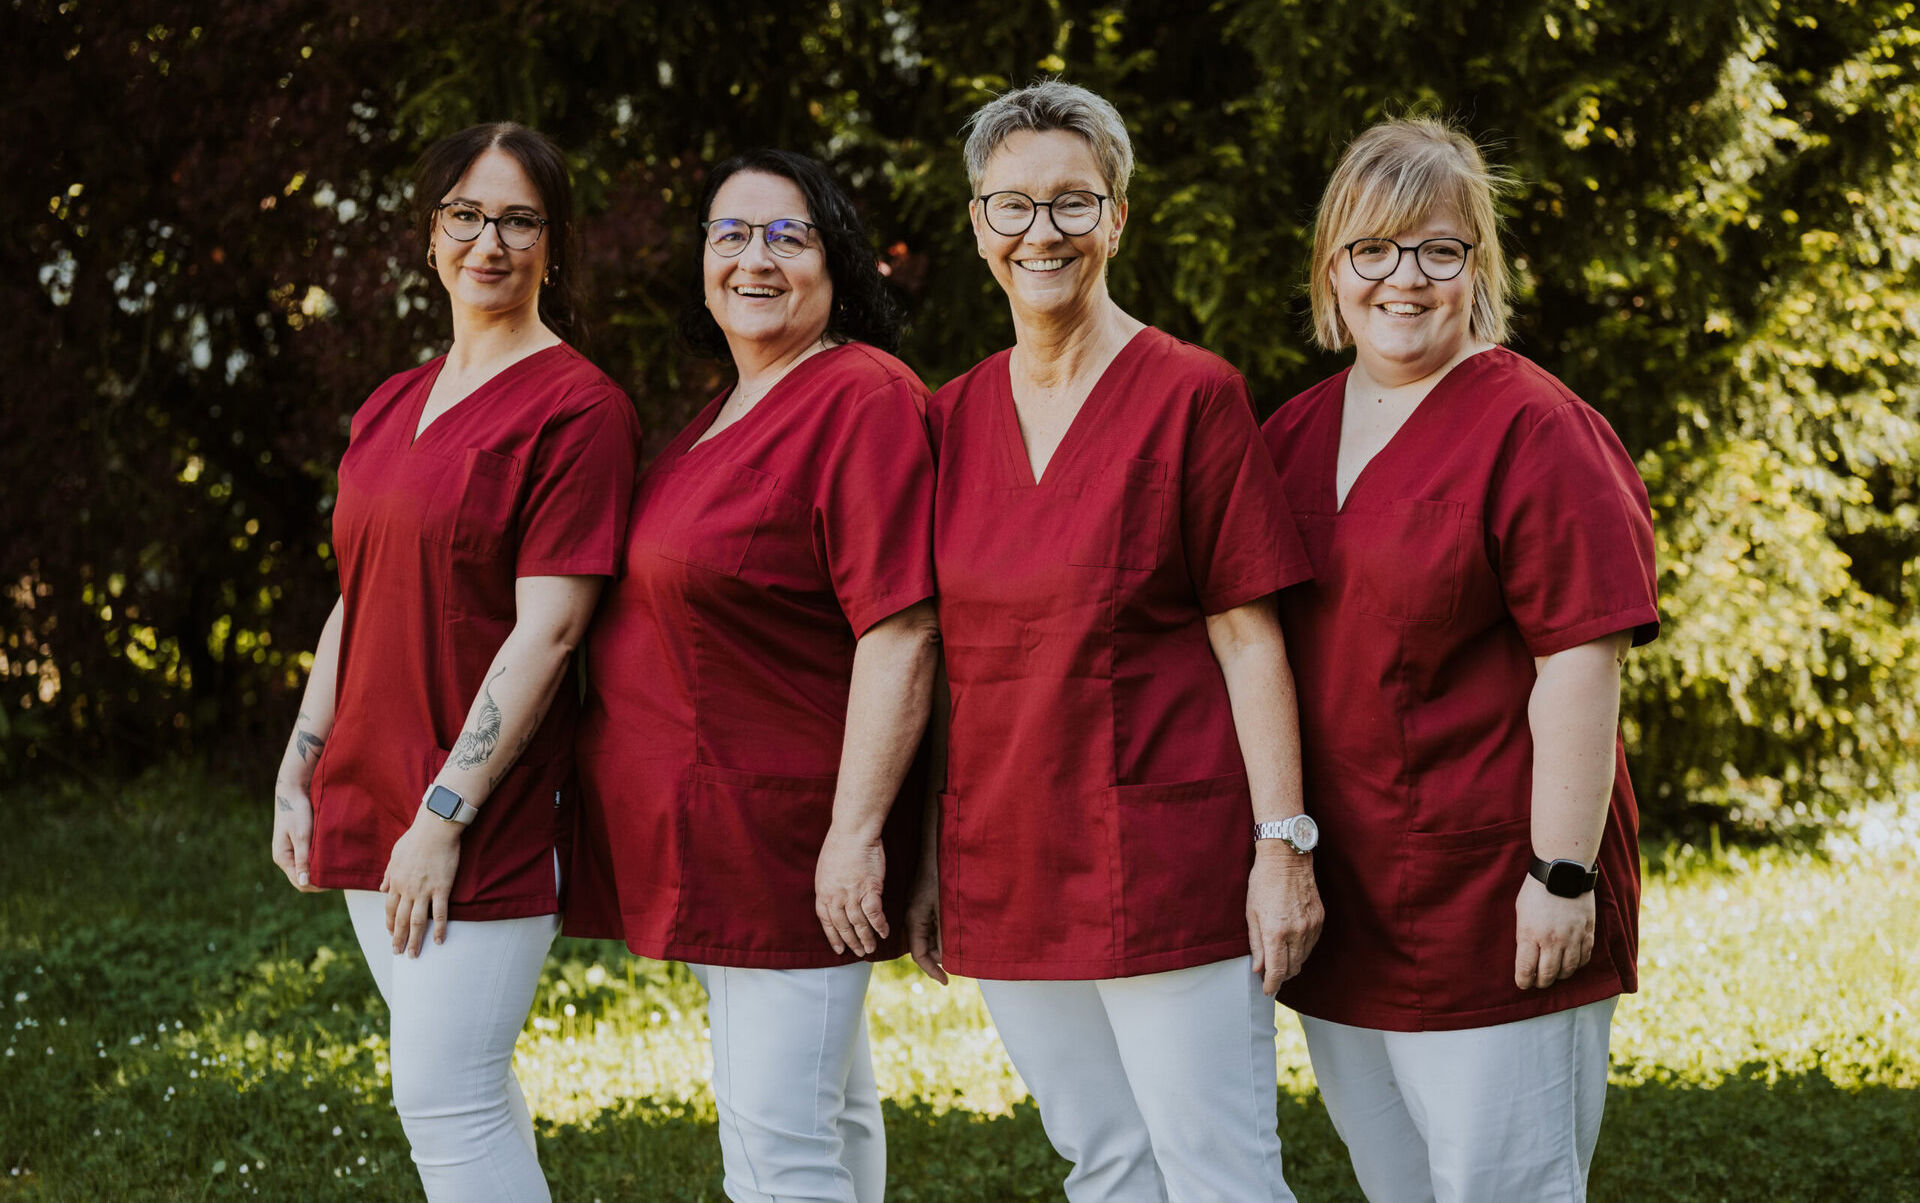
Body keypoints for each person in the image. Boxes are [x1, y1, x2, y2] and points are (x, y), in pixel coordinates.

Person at [907, 79, 1321, 1203]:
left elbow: (1250, 640)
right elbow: (942, 662)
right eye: (1012, 206)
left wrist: (1284, 845)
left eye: (1074, 202)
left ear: (1119, 216)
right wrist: (932, 850)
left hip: (1166, 858)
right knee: (1104, 1160)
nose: (1043, 232)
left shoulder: (1194, 396)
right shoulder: (946, 419)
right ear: (978, 224)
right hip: (1006, 854)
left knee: (1218, 1170)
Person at [1262, 115, 1660, 1202]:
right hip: (1352, 902)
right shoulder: (1291, 435)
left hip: (1502, 897)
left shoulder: (1541, 431)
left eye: (1438, 249)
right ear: (1332, 267)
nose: (1404, 279)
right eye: (1372, 250)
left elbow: (1583, 662)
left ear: (1476, 266)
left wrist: (1561, 874)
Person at [268, 122, 642, 1203]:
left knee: (444, 1092)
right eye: (469, 215)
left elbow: (551, 631)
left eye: (521, 218)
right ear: (432, 232)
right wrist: (301, 763)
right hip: (371, 788)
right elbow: (358, 595)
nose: (493, 240)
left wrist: (443, 816)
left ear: (553, 243)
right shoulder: (390, 402)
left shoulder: (581, 410)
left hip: (478, 809)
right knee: (462, 1089)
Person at [570, 149, 938, 1203]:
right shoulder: (719, 410)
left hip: (791, 838)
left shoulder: (861, 396)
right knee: (823, 1116)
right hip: (724, 833)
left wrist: (854, 833)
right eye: (730, 233)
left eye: (789, 234)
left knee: (777, 1151)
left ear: (840, 261)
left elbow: (903, 629)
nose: (754, 257)